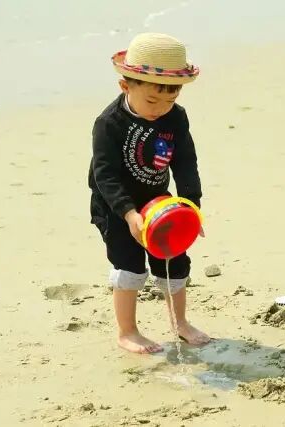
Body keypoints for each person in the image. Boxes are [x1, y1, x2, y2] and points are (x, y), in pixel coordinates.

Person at [88, 33, 211, 354]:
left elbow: (186, 163)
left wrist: (192, 207)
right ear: (126, 86)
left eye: (170, 100)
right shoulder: (109, 124)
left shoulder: (175, 117)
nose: (161, 109)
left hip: (157, 200)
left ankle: (180, 323)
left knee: (174, 258)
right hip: (116, 206)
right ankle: (127, 331)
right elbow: (105, 175)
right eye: (153, 101)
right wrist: (129, 214)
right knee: (129, 265)